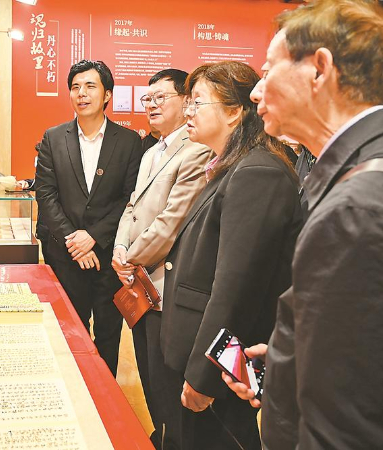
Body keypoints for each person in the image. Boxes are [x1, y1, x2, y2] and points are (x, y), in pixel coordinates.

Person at [220, 1, 383, 448]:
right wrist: (289, 360)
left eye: (268, 69)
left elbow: (345, 428)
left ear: (319, 69)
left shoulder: (356, 208)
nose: (256, 92)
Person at [158, 61, 303, 450]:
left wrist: (203, 375)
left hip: (222, 367)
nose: (188, 112)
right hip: (205, 352)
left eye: (198, 102)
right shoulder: (231, 167)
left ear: (235, 112)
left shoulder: (258, 173)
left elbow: (236, 288)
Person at [111, 68, 212, 449]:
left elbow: (172, 221)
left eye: (160, 97)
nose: (151, 105)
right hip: (138, 280)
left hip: (165, 286)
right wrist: (119, 250)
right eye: (147, 98)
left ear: (186, 102)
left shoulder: (196, 150)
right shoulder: (151, 151)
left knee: (167, 379)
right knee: (148, 375)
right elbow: (132, 208)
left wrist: (131, 259)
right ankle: (160, 435)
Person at [36, 59, 143, 376]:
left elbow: (129, 198)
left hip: (108, 255)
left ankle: (105, 393)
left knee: (109, 334)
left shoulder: (128, 141)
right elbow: (46, 194)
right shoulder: (54, 138)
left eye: (90, 86)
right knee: (71, 331)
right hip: (66, 255)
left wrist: (93, 236)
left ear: (107, 94)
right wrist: (74, 241)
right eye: (75, 87)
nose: (81, 93)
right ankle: (75, 389)